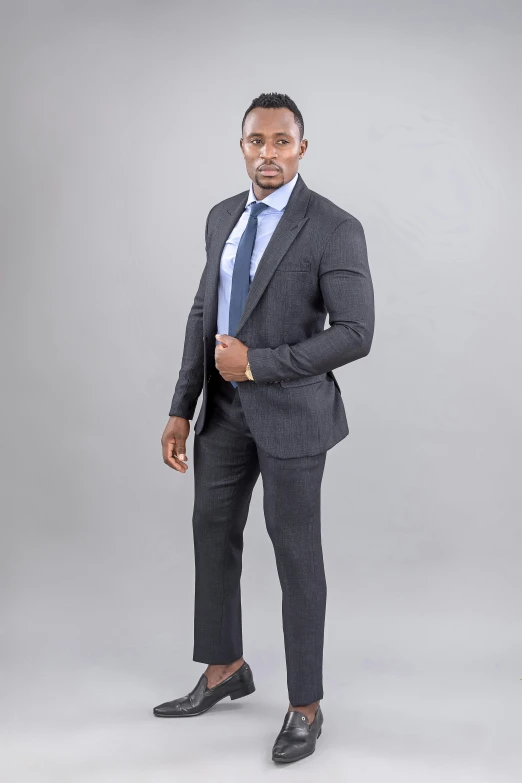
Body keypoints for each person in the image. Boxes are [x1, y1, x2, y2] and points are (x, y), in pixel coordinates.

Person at [153, 92, 375, 764]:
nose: (268, 153)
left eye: (282, 142)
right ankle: (225, 668)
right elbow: (204, 311)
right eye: (256, 141)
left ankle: (305, 703)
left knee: (296, 555)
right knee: (211, 531)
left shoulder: (334, 227)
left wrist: (259, 364)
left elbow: (357, 334)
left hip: (293, 415)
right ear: (242, 146)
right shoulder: (223, 216)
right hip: (221, 415)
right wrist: (181, 404)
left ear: (302, 149)